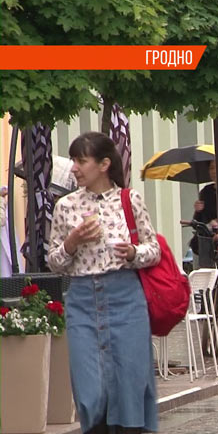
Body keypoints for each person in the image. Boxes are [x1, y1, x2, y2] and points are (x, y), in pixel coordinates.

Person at [46, 132, 159, 433]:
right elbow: (54, 262)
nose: (74, 168)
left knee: (129, 382)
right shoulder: (65, 206)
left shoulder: (129, 199)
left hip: (125, 297)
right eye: (73, 161)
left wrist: (134, 252)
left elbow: (154, 250)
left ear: (104, 164)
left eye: (81, 161)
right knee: (90, 386)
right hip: (82, 299)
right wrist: (72, 242)